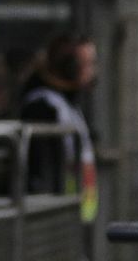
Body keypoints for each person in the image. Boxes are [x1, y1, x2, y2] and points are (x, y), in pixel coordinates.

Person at [20, 33, 99, 222]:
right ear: (69, 67)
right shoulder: (45, 105)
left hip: (75, 212)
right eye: (87, 64)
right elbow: (44, 166)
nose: (92, 71)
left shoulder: (68, 103)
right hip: (56, 213)